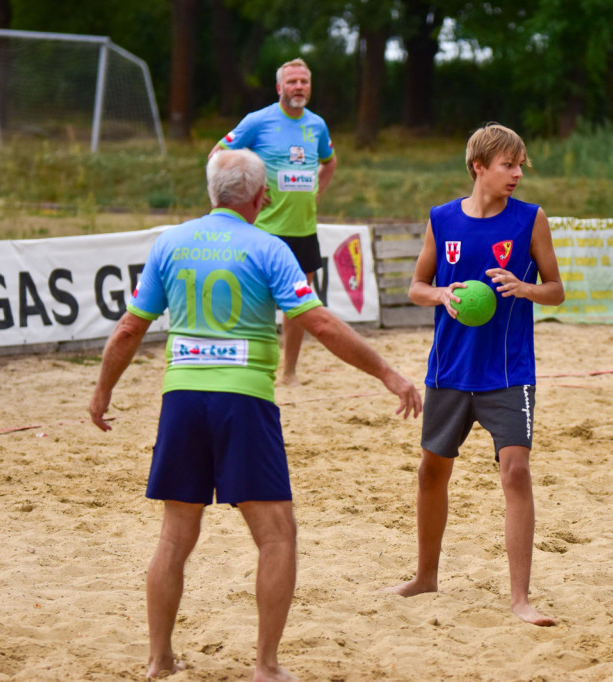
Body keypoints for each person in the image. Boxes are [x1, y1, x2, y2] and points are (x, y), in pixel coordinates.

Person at [89, 149, 421, 681]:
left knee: (174, 536)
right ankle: (266, 665)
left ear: (212, 193)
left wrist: (103, 389)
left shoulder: (171, 242)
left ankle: (159, 660)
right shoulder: (269, 247)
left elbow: (130, 328)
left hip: (181, 398)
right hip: (244, 401)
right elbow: (323, 326)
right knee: (276, 535)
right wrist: (387, 373)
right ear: (262, 197)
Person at [382, 123, 564, 626]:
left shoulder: (531, 220)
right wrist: (441, 294)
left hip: (508, 373)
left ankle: (520, 598)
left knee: (517, 472)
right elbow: (417, 286)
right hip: (449, 370)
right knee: (431, 471)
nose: (518, 173)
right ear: (479, 167)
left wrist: (525, 289)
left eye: (521, 164)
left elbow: (557, 289)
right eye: (509, 164)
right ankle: (425, 576)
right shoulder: (442, 220)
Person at [210, 57, 336, 387]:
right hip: (263, 229)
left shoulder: (317, 125)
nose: (299, 87)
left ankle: (289, 372)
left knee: (299, 304)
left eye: (304, 82)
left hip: (302, 229)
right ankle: (249, 365)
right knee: (255, 300)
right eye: (292, 82)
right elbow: (217, 155)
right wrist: (242, 193)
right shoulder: (258, 121)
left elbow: (330, 162)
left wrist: (316, 193)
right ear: (279, 87)